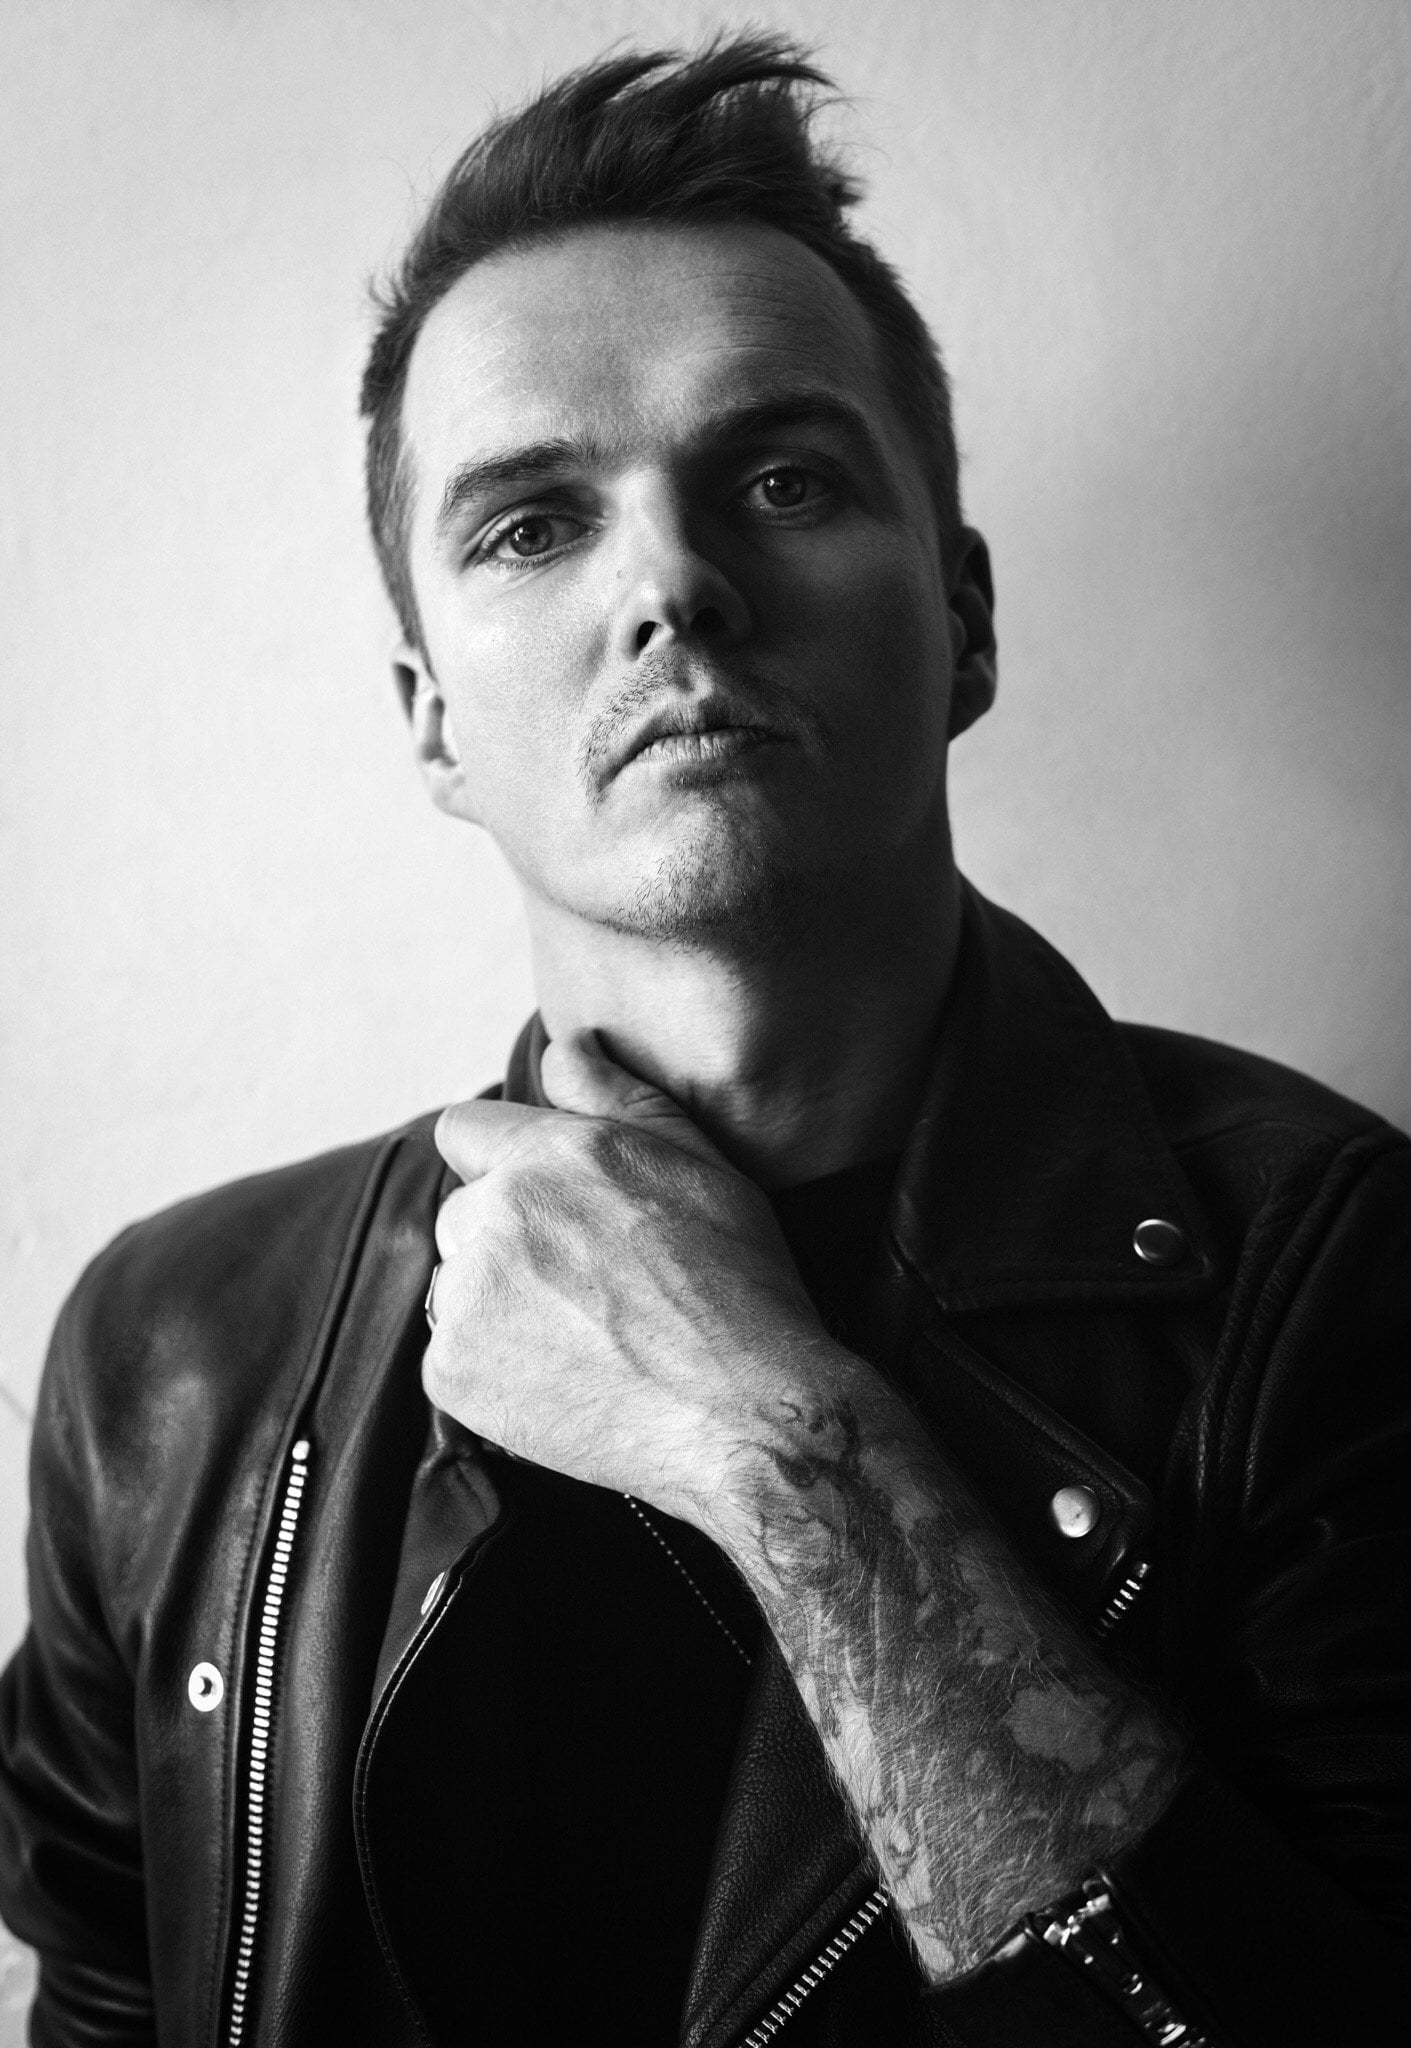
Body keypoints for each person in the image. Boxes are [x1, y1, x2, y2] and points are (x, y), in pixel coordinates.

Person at [1, 35, 1407, 2048]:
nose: (670, 583)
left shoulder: (1335, 1271)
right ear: (430, 720)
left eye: (783, 480)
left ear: (965, 619)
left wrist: (769, 1437)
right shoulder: (170, 1356)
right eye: (529, 525)